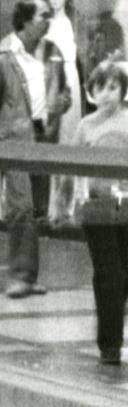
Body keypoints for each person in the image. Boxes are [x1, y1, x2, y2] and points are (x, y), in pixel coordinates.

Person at [0, 0, 64, 299]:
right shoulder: (0, 58)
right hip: (14, 141)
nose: (48, 20)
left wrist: (60, 105)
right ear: (25, 21)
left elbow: (58, 91)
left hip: (44, 138)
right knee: (21, 209)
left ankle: (28, 276)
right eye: (43, 15)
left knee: (36, 209)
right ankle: (19, 276)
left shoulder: (52, 53)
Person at [72, 56, 128, 363]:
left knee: (121, 274)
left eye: (114, 87)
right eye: (102, 87)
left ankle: (111, 330)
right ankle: (110, 345)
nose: (108, 93)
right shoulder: (84, 126)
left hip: (126, 205)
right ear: (92, 91)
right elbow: (71, 168)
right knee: (110, 272)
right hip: (96, 208)